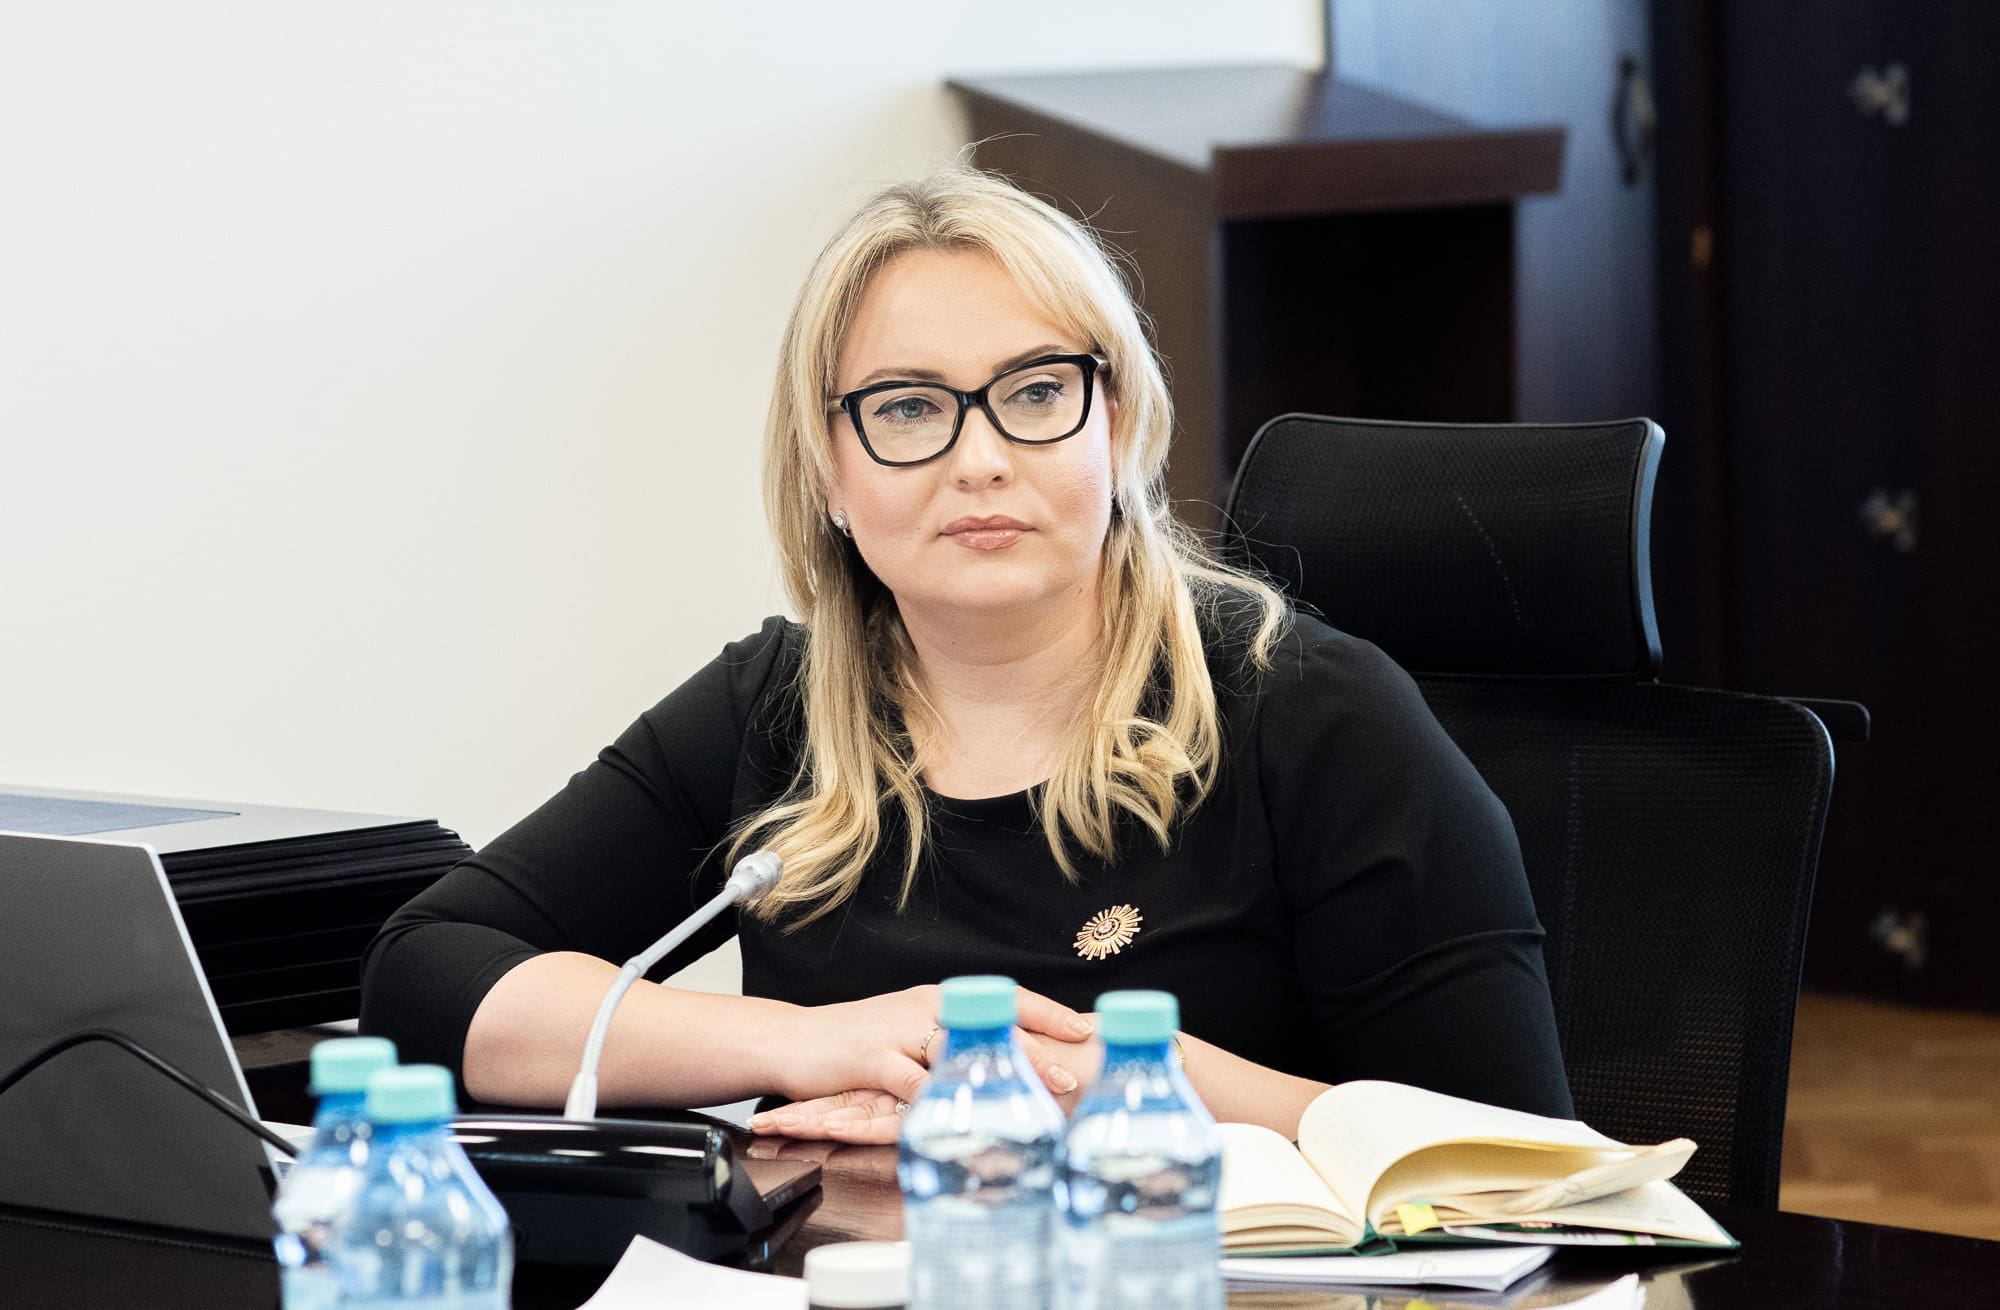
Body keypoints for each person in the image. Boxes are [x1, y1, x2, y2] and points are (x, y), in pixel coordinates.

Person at [359, 166, 1572, 1143]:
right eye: (906, 408)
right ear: (827, 472)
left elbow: (1515, 1157)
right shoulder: (772, 708)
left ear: (1117, 422)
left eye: (1034, 392)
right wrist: (813, 1041)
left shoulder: (1310, 713)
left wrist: (1140, 1085)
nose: (979, 459)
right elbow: (426, 978)